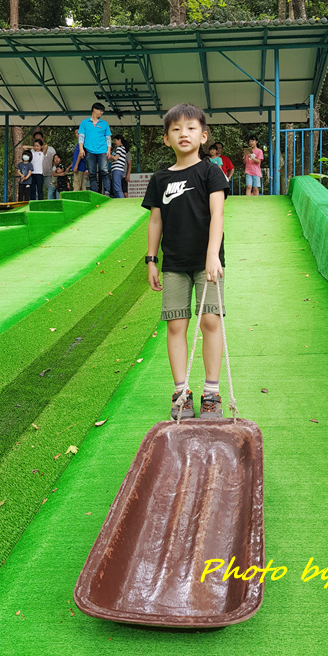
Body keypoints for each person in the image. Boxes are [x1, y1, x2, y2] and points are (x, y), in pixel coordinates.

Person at [141, 103, 230, 420]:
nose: (183, 134)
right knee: (176, 325)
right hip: (173, 264)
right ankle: (181, 393)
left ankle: (211, 394)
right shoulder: (161, 178)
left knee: (210, 321)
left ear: (203, 136)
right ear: (166, 139)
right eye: (175, 129)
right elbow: (155, 222)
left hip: (208, 263)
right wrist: (151, 260)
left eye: (191, 128)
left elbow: (217, 214)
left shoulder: (210, 171)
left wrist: (212, 254)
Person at [77, 102, 111, 195]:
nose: (101, 112)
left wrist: (108, 150)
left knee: (104, 170)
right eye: (100, 110)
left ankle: (107, 191)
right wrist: (81, 149)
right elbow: (81, 137)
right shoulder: (84, 123)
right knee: (92, 173)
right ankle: (94, 193)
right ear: (94, 110)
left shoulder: (104, 124)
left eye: (102, 111)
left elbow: (108, 137)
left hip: (102, 150)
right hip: (89, 150)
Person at [108, 134, 127, 198]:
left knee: (117, 188)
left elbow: (116, 158)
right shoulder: (123, 148)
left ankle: (121, 202)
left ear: (119, 140)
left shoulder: (119, 148)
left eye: (115, 140)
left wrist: (109, 155)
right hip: (120, 170)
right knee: (117, 187)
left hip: (117, 169)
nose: (114, 142)